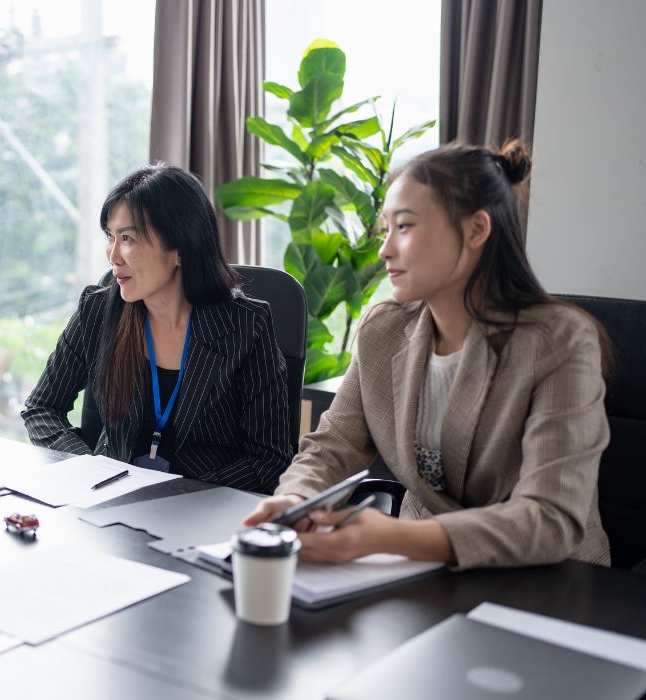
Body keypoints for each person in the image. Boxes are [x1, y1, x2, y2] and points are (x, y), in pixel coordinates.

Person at [244, 141, 612, 569]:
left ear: (476, 229)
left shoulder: (560, 341)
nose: (384, 250)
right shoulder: (383, 330)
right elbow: (333, 445)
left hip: (547, 581)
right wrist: (295, 499)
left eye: (404, 226)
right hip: (420, 574)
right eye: (386, 229)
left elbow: (551, 518)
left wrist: (392, 537)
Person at [21, 164, 292, 493]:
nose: (113, 256)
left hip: (200, 509)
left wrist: (180, 496)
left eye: (127, 238)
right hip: (108, 499)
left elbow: (269, 459)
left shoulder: (246, 326)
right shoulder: (97, 311)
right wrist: (90, 469)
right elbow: (42, 408)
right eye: (110, 237)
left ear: (180, 248)